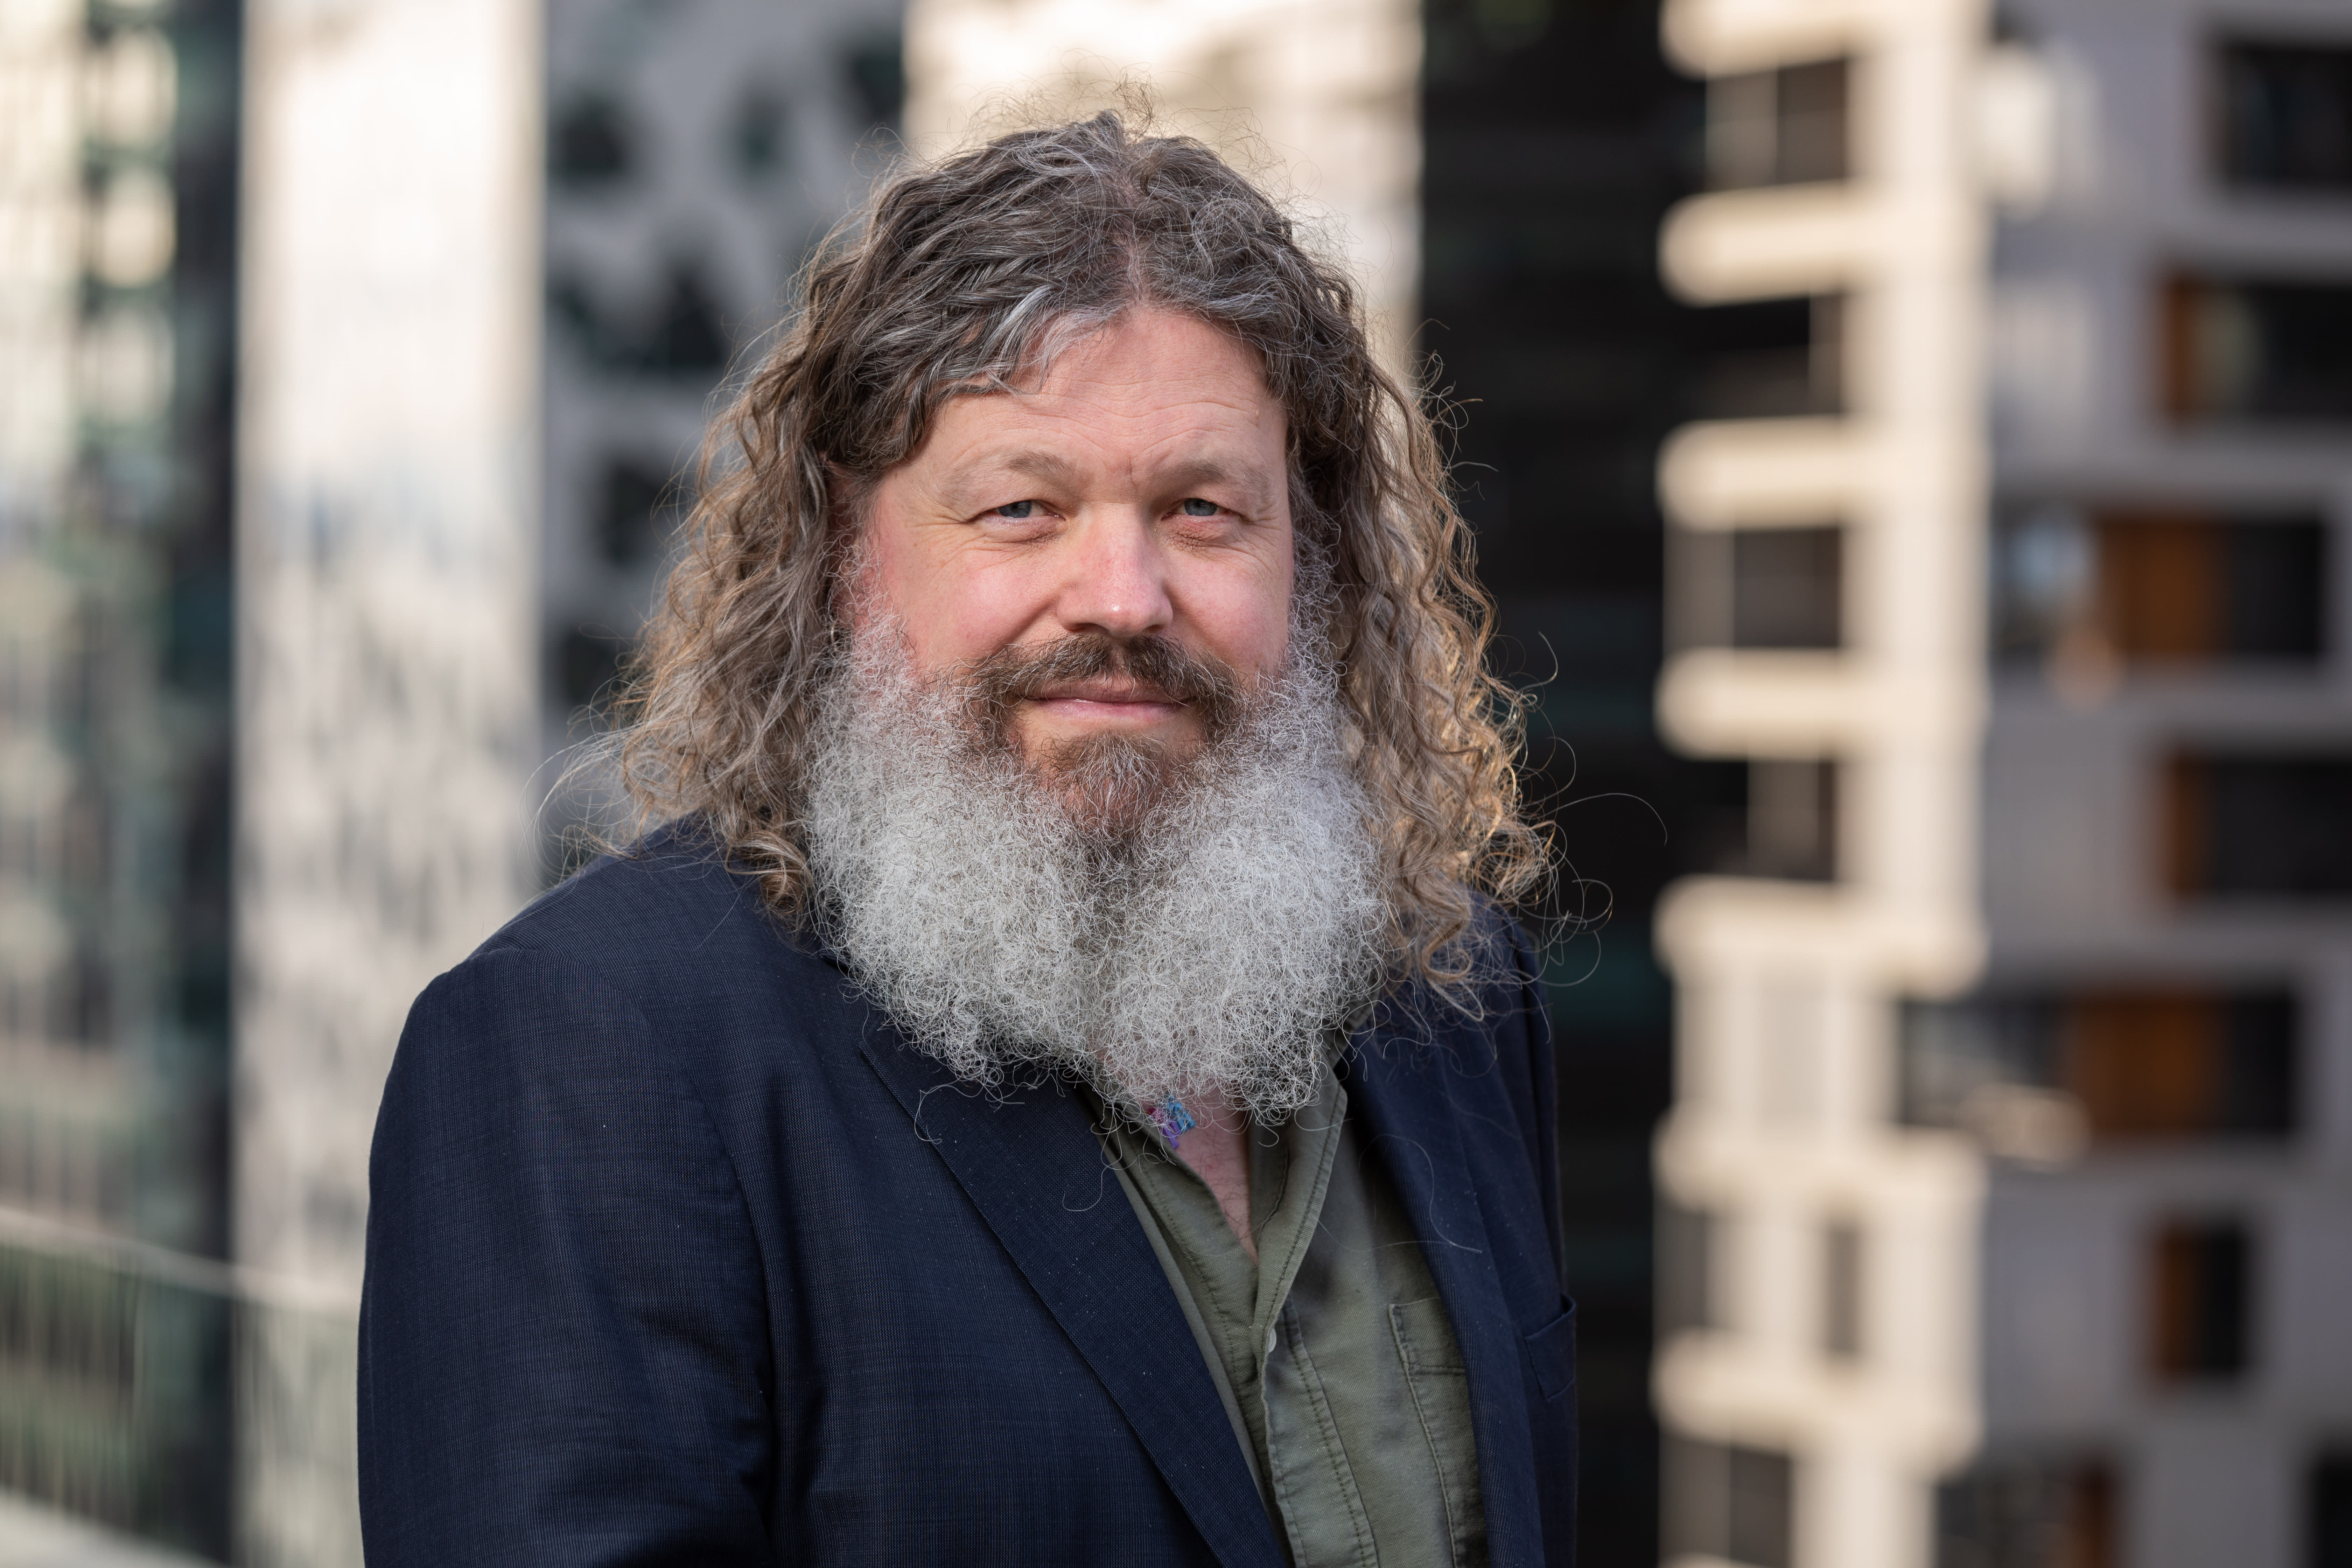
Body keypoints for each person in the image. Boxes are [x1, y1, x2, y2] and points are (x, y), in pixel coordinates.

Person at [358, 110, 1575, 1567]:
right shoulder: (587, 1047)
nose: (1121, 595)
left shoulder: (1453, 994)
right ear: (844, 557)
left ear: (1311, 559)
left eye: (1203, 509)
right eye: (1021, 508)